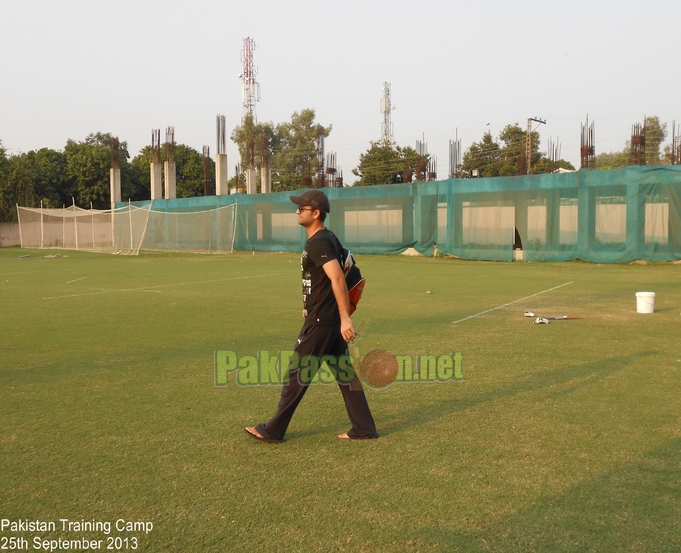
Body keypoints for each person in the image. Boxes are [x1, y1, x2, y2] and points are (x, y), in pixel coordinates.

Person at [245, 189, 378, 442]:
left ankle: (273, 429)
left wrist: (345, 318)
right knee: (345, 375)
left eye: (301, 208)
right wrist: (310, 303)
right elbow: (323, 279)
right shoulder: (326, 238)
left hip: (322, 322)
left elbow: (338, 277)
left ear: (315, 213)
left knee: (297, 373)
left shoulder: (318, 241)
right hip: (326, 318)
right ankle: (364, 428)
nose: (297, 210)